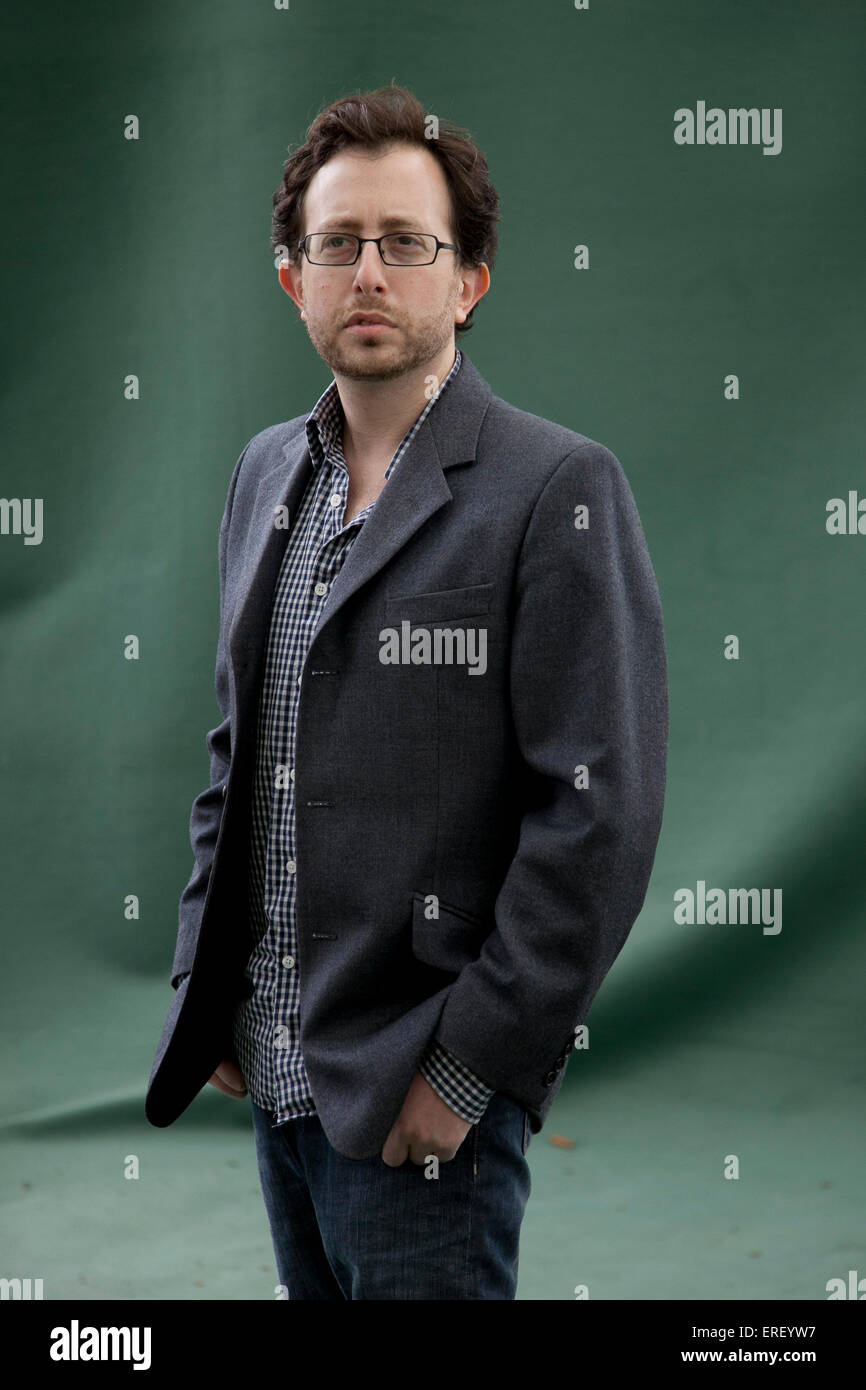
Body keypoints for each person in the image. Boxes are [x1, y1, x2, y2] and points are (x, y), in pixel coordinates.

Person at [145, 83, 669, 1300]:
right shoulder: (263, 472)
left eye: (405, 243)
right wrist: (202, 980)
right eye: (337, 244)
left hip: (416, 1101)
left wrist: (465, 1072)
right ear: (293, 278)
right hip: (276, 1077)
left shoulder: (555, 490)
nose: (368, 272)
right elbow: (239, 753)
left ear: (468, 279)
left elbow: (598, 817)